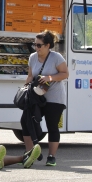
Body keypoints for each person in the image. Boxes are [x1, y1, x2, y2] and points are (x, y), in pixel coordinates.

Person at [21, 30, 69, 167]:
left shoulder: (56, 57)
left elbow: (65, 74)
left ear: (48, 45)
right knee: (25, 120)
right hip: (36, 97)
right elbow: (30, 75)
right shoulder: (32, 57)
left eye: (39, 45)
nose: (36, 48)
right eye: (34, 45)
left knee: (52, 125)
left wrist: (50, 78)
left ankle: (51, 156)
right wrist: (25, 88)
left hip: (54, 97)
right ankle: (30, 154)